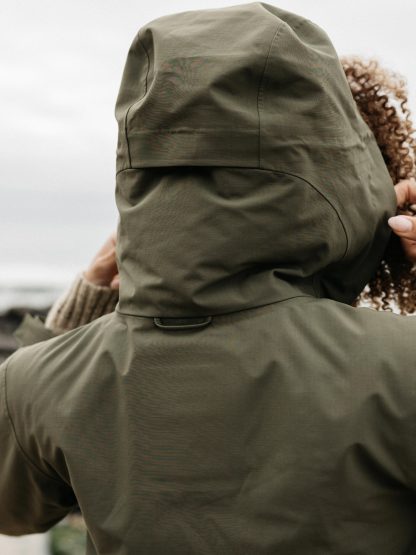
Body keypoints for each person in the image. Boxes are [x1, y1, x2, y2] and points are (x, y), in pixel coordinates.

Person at [1, 2, 416, 553]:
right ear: (349, 177)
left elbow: (10, 507)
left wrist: (82, 308)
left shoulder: (41, 382)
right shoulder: (400, 366)